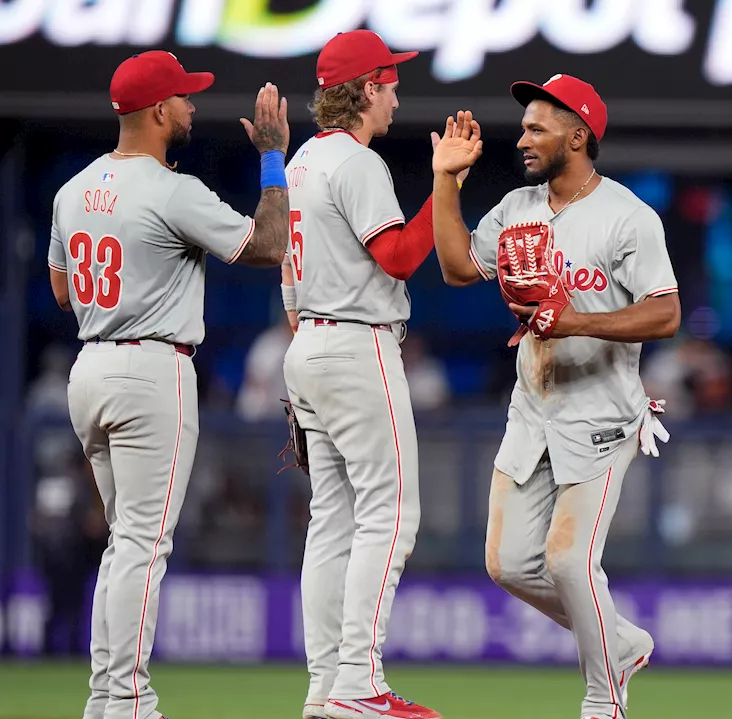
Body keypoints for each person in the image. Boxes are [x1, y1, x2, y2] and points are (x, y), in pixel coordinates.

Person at [47, 50, 289, 719]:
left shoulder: (73, 189)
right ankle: (125, 700)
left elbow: (63, 293)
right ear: (156, 111)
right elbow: (269, 244)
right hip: (151, 369)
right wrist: (273, 157)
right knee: (143, 546)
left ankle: (105, 698)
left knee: (125, 542)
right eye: (182, 98)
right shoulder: (172, 189)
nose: (190, 107)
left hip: (90, 368)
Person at [431, 75, 680, 719]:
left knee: (569, 560)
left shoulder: (628, 216)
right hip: (533, 411)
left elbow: (667, 314)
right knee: (510, 565)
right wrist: (444, 181)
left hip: (604, 413)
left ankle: (604, 699)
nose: (523, 138)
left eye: (537, 127)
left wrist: (578, 321)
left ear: (579, 135)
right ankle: (619, 643)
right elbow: (459, 269)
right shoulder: (516, 207)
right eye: (524, 127)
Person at [280, 30, 454, 719]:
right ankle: (359, 681)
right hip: (356, 342)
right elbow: (401, 257)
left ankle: (326, 685)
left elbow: (289, 283)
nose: (396, 94)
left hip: (310, 341)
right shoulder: (354, 162)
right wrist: (444, 181)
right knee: (392, 513)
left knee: (333, 521)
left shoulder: (298, 163)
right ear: (365, 91)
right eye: (390, 82)